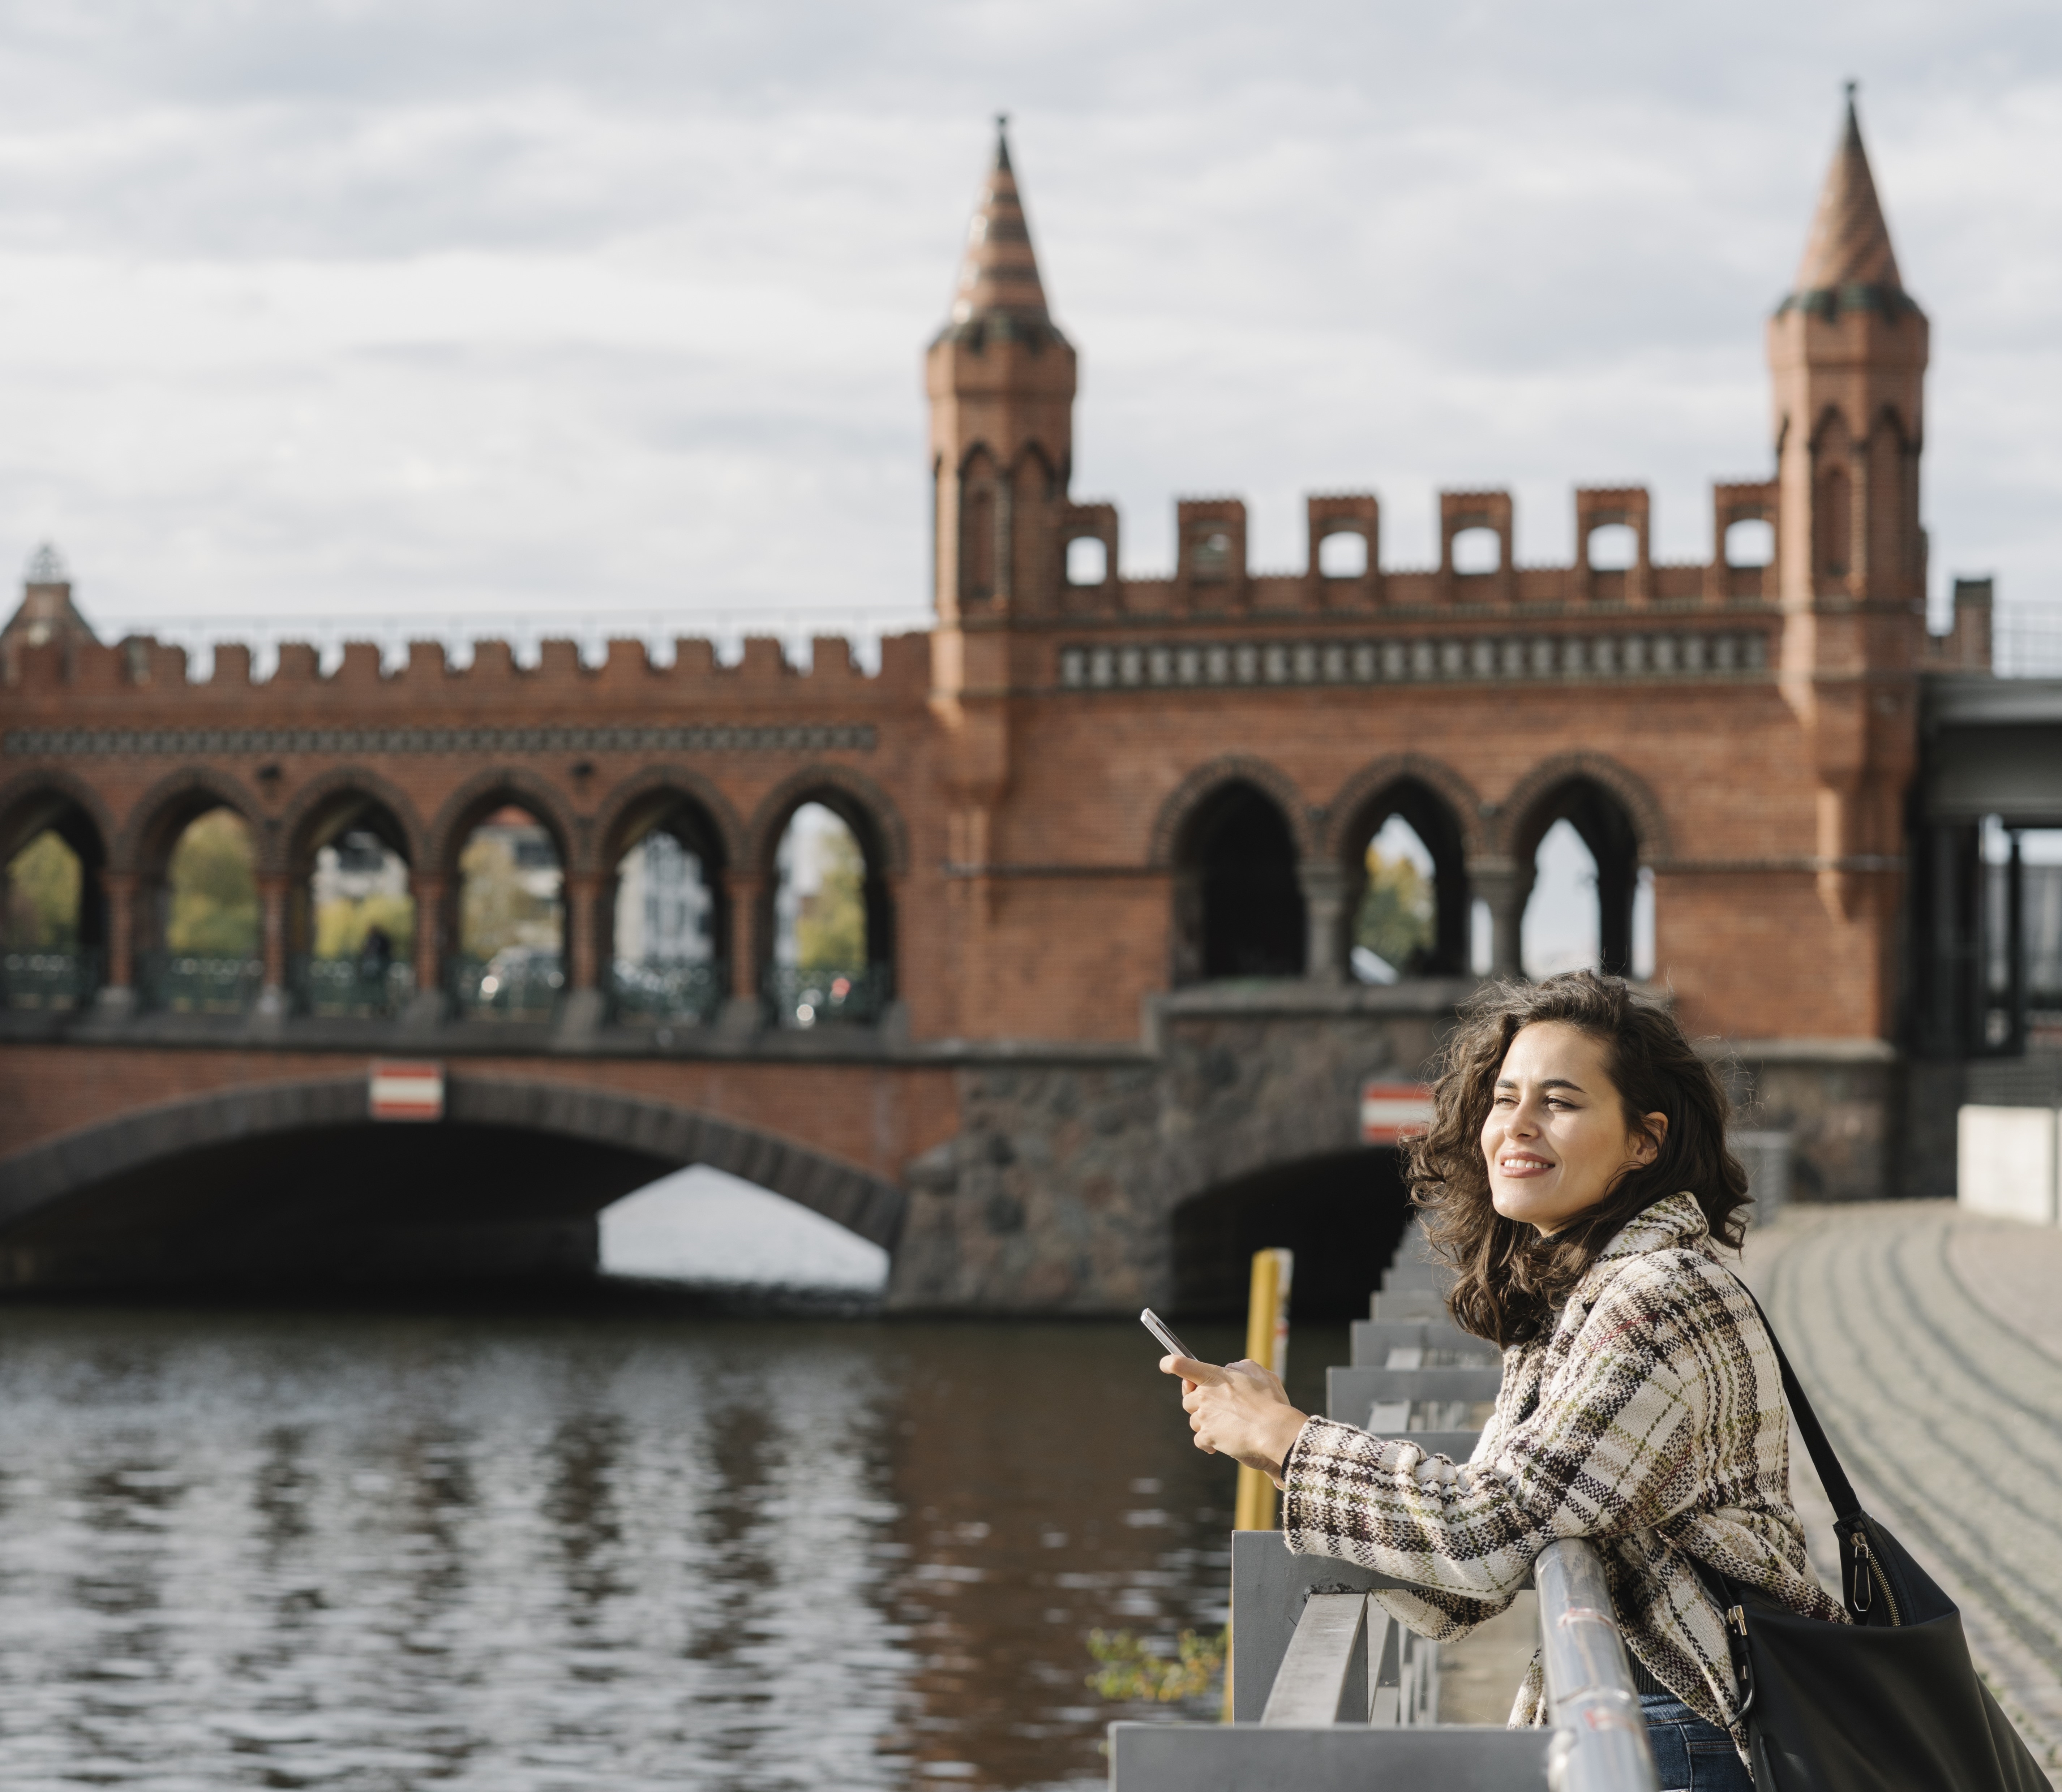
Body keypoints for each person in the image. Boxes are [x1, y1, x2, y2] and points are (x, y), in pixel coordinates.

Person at [1162, 971, 1845, 1784]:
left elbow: (1489, 1531)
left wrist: (1289, 1438)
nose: (1516, 1125)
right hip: (1655, 1716)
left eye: (1558, 1101)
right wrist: (1282, 1451)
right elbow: (1475, 1578)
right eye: (1504, 1097)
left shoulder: (1656, 1296)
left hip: (1689, 1728)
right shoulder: (1583, 1294)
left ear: (1644, 1140)